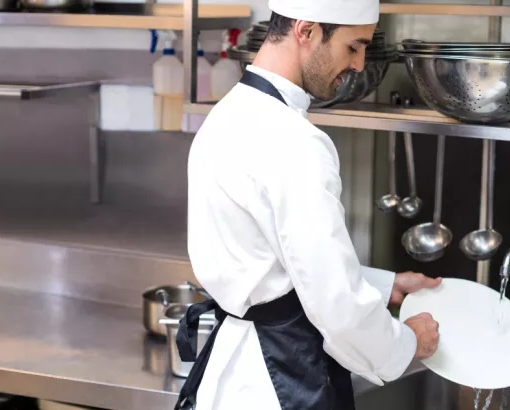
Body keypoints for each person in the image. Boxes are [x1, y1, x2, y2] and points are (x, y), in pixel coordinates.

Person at [176, 0, 441, 409]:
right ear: (306, 31)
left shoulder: (228, 114)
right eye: (353, 47)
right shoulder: (296, 144)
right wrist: (407, 343)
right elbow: (336, 304)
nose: (358, 64)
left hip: (237, 373)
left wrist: (385, 286)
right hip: (283, 379)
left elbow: (273, 266)